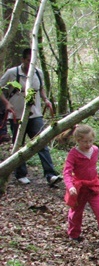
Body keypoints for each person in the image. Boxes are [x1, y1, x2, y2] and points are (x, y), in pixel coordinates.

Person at [0, 48, 61, 185]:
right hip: (18, 115)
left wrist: (46, 99)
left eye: (32, 61)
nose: (30, 63)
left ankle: (50, 175)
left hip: (35, 114)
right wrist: (7, 104)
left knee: (41, 143)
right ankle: (20, 174)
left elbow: (41, 89)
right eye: (28, 60)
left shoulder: (38, 73)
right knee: (19, 144)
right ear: (23, 59)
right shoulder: (12, 73)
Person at [63, 125, 99, 255]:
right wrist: (70, 186)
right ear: (77, 141)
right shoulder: (73, 154)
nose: (88, 144)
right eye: (84, 141)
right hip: (79, 188)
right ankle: (74, 234)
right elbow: (67, 172)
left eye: (90, 141)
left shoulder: (95, 150)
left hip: (94, 187)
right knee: (76, 213)